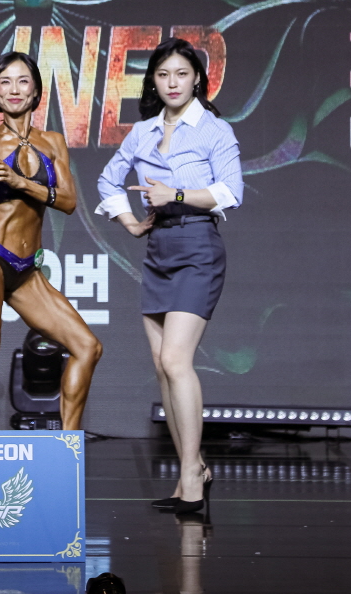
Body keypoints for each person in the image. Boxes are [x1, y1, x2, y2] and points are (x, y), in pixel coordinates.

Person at [97, 38, 242, 515]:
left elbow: (230, 192)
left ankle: (193, 478)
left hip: (198, 246)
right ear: (153, 82)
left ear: (197, 78)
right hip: (159, 247)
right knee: (161, 365)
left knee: (177, 360)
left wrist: (175, 195)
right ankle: (190, 467)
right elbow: (107, 180)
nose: (173, 83)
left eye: (181, 73)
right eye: (163, 75)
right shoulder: (143, 132)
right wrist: (130, 222)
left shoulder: (214, 129)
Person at [0, 51, 102, 430]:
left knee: (87, 347)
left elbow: (69, 202)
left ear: (35, 91)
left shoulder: (53, 142)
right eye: (4, 82)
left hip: (27, 272)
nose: (14, 89)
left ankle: (66, 447)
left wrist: (19, 182)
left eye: (22, 81)